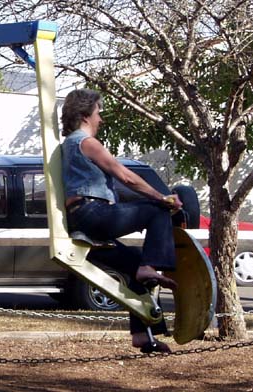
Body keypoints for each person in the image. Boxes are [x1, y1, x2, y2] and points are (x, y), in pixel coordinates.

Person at [60, 89, 182, 353]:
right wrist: (163, 198)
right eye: (98, 113)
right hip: (93, 214)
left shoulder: (68, 145)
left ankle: (143, 336)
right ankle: (152, 265)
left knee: (135, 267)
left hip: (84, 220)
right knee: (156, 210)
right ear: (84, 116)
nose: (101, 119)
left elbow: (114, 186)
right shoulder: (86, 143)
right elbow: (126, 176)